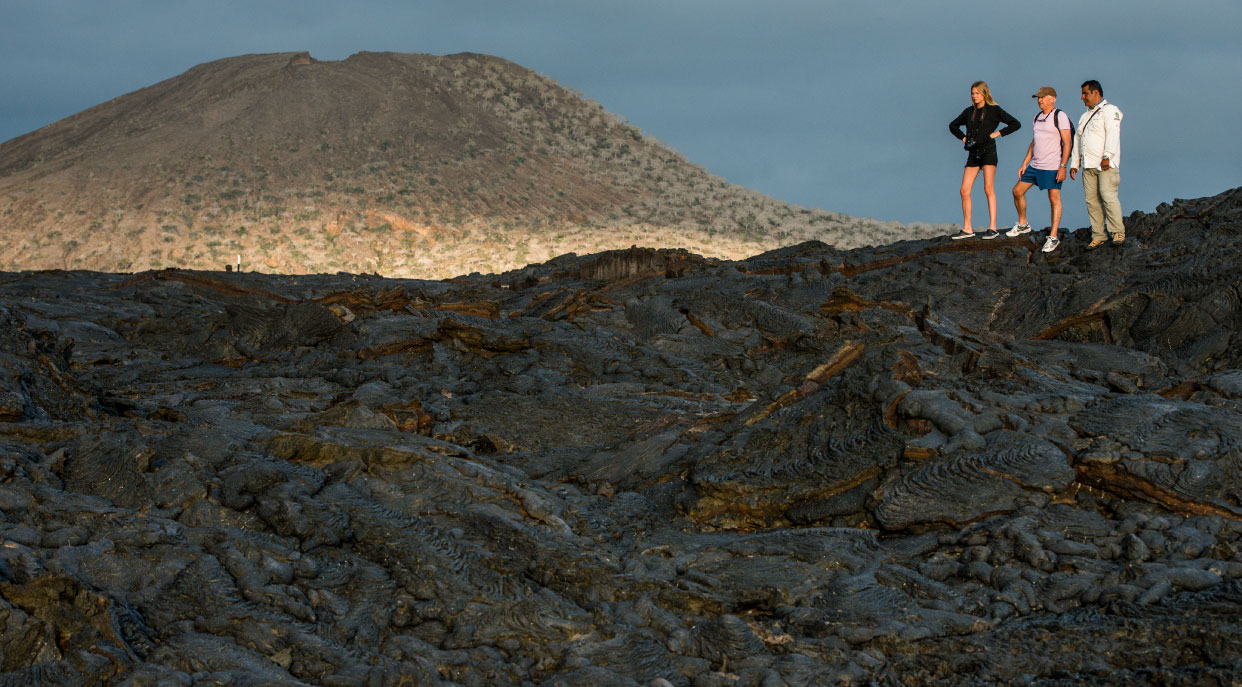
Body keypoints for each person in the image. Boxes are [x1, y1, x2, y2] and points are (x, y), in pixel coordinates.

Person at [947, 81, 1021, 239]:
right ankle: (967, 228)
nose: (974, 96)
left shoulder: (994, 110)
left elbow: (1016, 124)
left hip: (988, 152)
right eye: (973, 93)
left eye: (977, 93)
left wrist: (998, 133)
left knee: (988, 188)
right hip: (973, 153)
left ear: (984, 94)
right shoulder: (968, 112)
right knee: (964, 190)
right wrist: (964, 138)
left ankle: (993, 227)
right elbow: (952, 125)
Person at [1006, 86, 1072, 253]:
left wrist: (1063, 166)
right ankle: (1023, 224)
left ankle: (1053, 236)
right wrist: (1025, 163)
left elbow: (1068, 142)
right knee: (1017, 191)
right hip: (1035, 165)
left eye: (1043, 97)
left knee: (1054, 199)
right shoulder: (1037, 117)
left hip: (1052, 165)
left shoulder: (1060, 116)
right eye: (1038, 97)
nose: (1040, 100)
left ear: (1053, 98)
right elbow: (1034, 141)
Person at [1069, 80, 1124, 248]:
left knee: (1108, 196)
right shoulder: (1084, 116)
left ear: (1096, 93)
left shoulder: (1110, 110)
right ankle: (1099, 235)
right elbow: (1078, 140)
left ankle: (1117, 232)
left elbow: (1113, 134)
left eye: (1085, 93)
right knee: (1092, 201)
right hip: (1088, 165)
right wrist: (1075, 163)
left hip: (1105, 163)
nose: (1082, 97)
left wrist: (1107, 156)